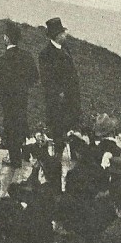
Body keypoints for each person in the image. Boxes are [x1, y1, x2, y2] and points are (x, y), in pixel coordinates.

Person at [0, 21, 38, 167]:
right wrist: (23, 87)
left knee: (10, 126)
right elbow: (34, 76)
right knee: (23, 122)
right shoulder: (26, 55)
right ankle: (26, 154)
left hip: (9, 99)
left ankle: (15, 159)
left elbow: (1, 83)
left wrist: (4, 97)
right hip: (22, 97)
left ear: (7, 38)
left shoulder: (5, 57)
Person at [38, 16, 81, 151]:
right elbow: (47, 79)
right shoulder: (46, 54)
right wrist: (59, 93)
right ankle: (57, 156)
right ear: (56, 36)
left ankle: (74, 154)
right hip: (58, 100)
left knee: (72, 126)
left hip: (71, 97)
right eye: (62, 33)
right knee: (58, 130)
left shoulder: (65, 48)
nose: (65, 34)